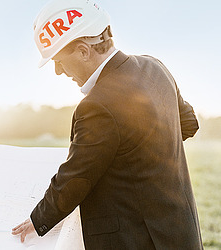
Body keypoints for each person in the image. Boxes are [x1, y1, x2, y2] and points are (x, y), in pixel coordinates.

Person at [12, 0, 203, 249]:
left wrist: (37, 220)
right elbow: (188, 124)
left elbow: (76, 179)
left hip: (138, 240)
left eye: (58, 60)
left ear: (83, 51)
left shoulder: (96, 106)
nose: (58, 72)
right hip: (181, 233)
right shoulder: (155, 67)